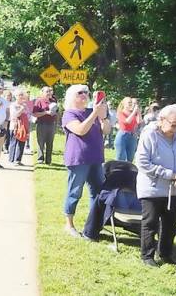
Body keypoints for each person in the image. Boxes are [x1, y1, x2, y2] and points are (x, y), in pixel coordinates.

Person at [135, 104, 176, 267]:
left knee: (170, 224)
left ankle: (166, 254)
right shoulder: (149, 134)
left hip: (175, 189)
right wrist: (170, 175)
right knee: (150, 223)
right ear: (161, 119)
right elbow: (142, 163)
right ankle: (147, 256)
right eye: (174, 124)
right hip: (152, 188)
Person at [61, 84, 109, 237]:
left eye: (86, 93)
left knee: (98, 191)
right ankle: (69, 224)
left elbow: (106, 130)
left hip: (95, 157)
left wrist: (103, 116)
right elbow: (81, 130)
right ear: (72, 97)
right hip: (78, 158)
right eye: (79, 93)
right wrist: (94, 114)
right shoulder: (69, 114)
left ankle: (93, 224)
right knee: (75, 191)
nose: (84, 95)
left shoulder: (91, 112)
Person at [33, 86, 58, 164]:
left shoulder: (53, 101)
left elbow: (57, 112)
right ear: (42, 92)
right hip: (41, 124)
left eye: (49, 91)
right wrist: (45, 112)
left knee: (50, 142)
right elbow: (35, 114)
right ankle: (40, 159)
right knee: (41, 142)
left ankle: (48, 160)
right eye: (46, 92)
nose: (48, 93)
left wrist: (56, 120)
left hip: (51, 124)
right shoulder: (39, 101)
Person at [8, 88, 30, 166]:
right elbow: (15, 115)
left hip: (24, 126)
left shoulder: (24, 105)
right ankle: (12, 159)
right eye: (19, 95)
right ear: (15, 96)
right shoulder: (13, 105)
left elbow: (28, 115)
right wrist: (21, 109)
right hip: (15, 127)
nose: (21, 96)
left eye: (22, 95)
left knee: (22, 142)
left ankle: (18, 160)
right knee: (14, 142)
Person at [115, 97, 141, 162]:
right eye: (129, 102)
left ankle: (128, 171)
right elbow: (127, 121)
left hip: (132, 135)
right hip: (123, 135)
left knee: (131, 157)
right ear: (124, 104)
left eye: (131, 103)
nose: (131, 104)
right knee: (121, 156)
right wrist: (134, 112)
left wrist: (138, 112)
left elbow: (139, 121)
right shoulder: (121, 113)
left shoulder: (133, 113)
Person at [2, 89, 14, 154]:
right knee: (3, 134)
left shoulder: (12, 103)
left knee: (8, 135)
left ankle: (6, 147)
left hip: (10, 120)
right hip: (3, 120)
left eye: (10, 95)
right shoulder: (3, 103)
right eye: (7, 95)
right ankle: (2, 147)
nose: (9, 97)